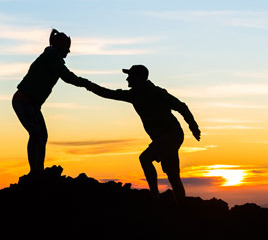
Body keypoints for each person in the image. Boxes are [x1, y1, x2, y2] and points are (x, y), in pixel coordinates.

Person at [82, 64, 200, 199]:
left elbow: (181, 107)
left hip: (172, 135)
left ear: (138, 78)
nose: (127, 79)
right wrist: (90, 86)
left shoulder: (157, 92)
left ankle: (155, 197)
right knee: (172, 175)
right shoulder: (134, 94)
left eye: (130, 76)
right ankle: (181, 208)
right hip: (165, 137)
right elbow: (110, 94)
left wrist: (193, 127)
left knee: (145, 159)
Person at [12, 29, 90, 176]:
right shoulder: (52, 56)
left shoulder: (52, 56)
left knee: (41, 135)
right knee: (36, 134)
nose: (68, 52)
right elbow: (67, 76)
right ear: (61, 46)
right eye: (67, 48)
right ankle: (35, 171)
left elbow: (65, 75)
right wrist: (86, 83)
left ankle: (37, 171)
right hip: (23, 101)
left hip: (31, 104)